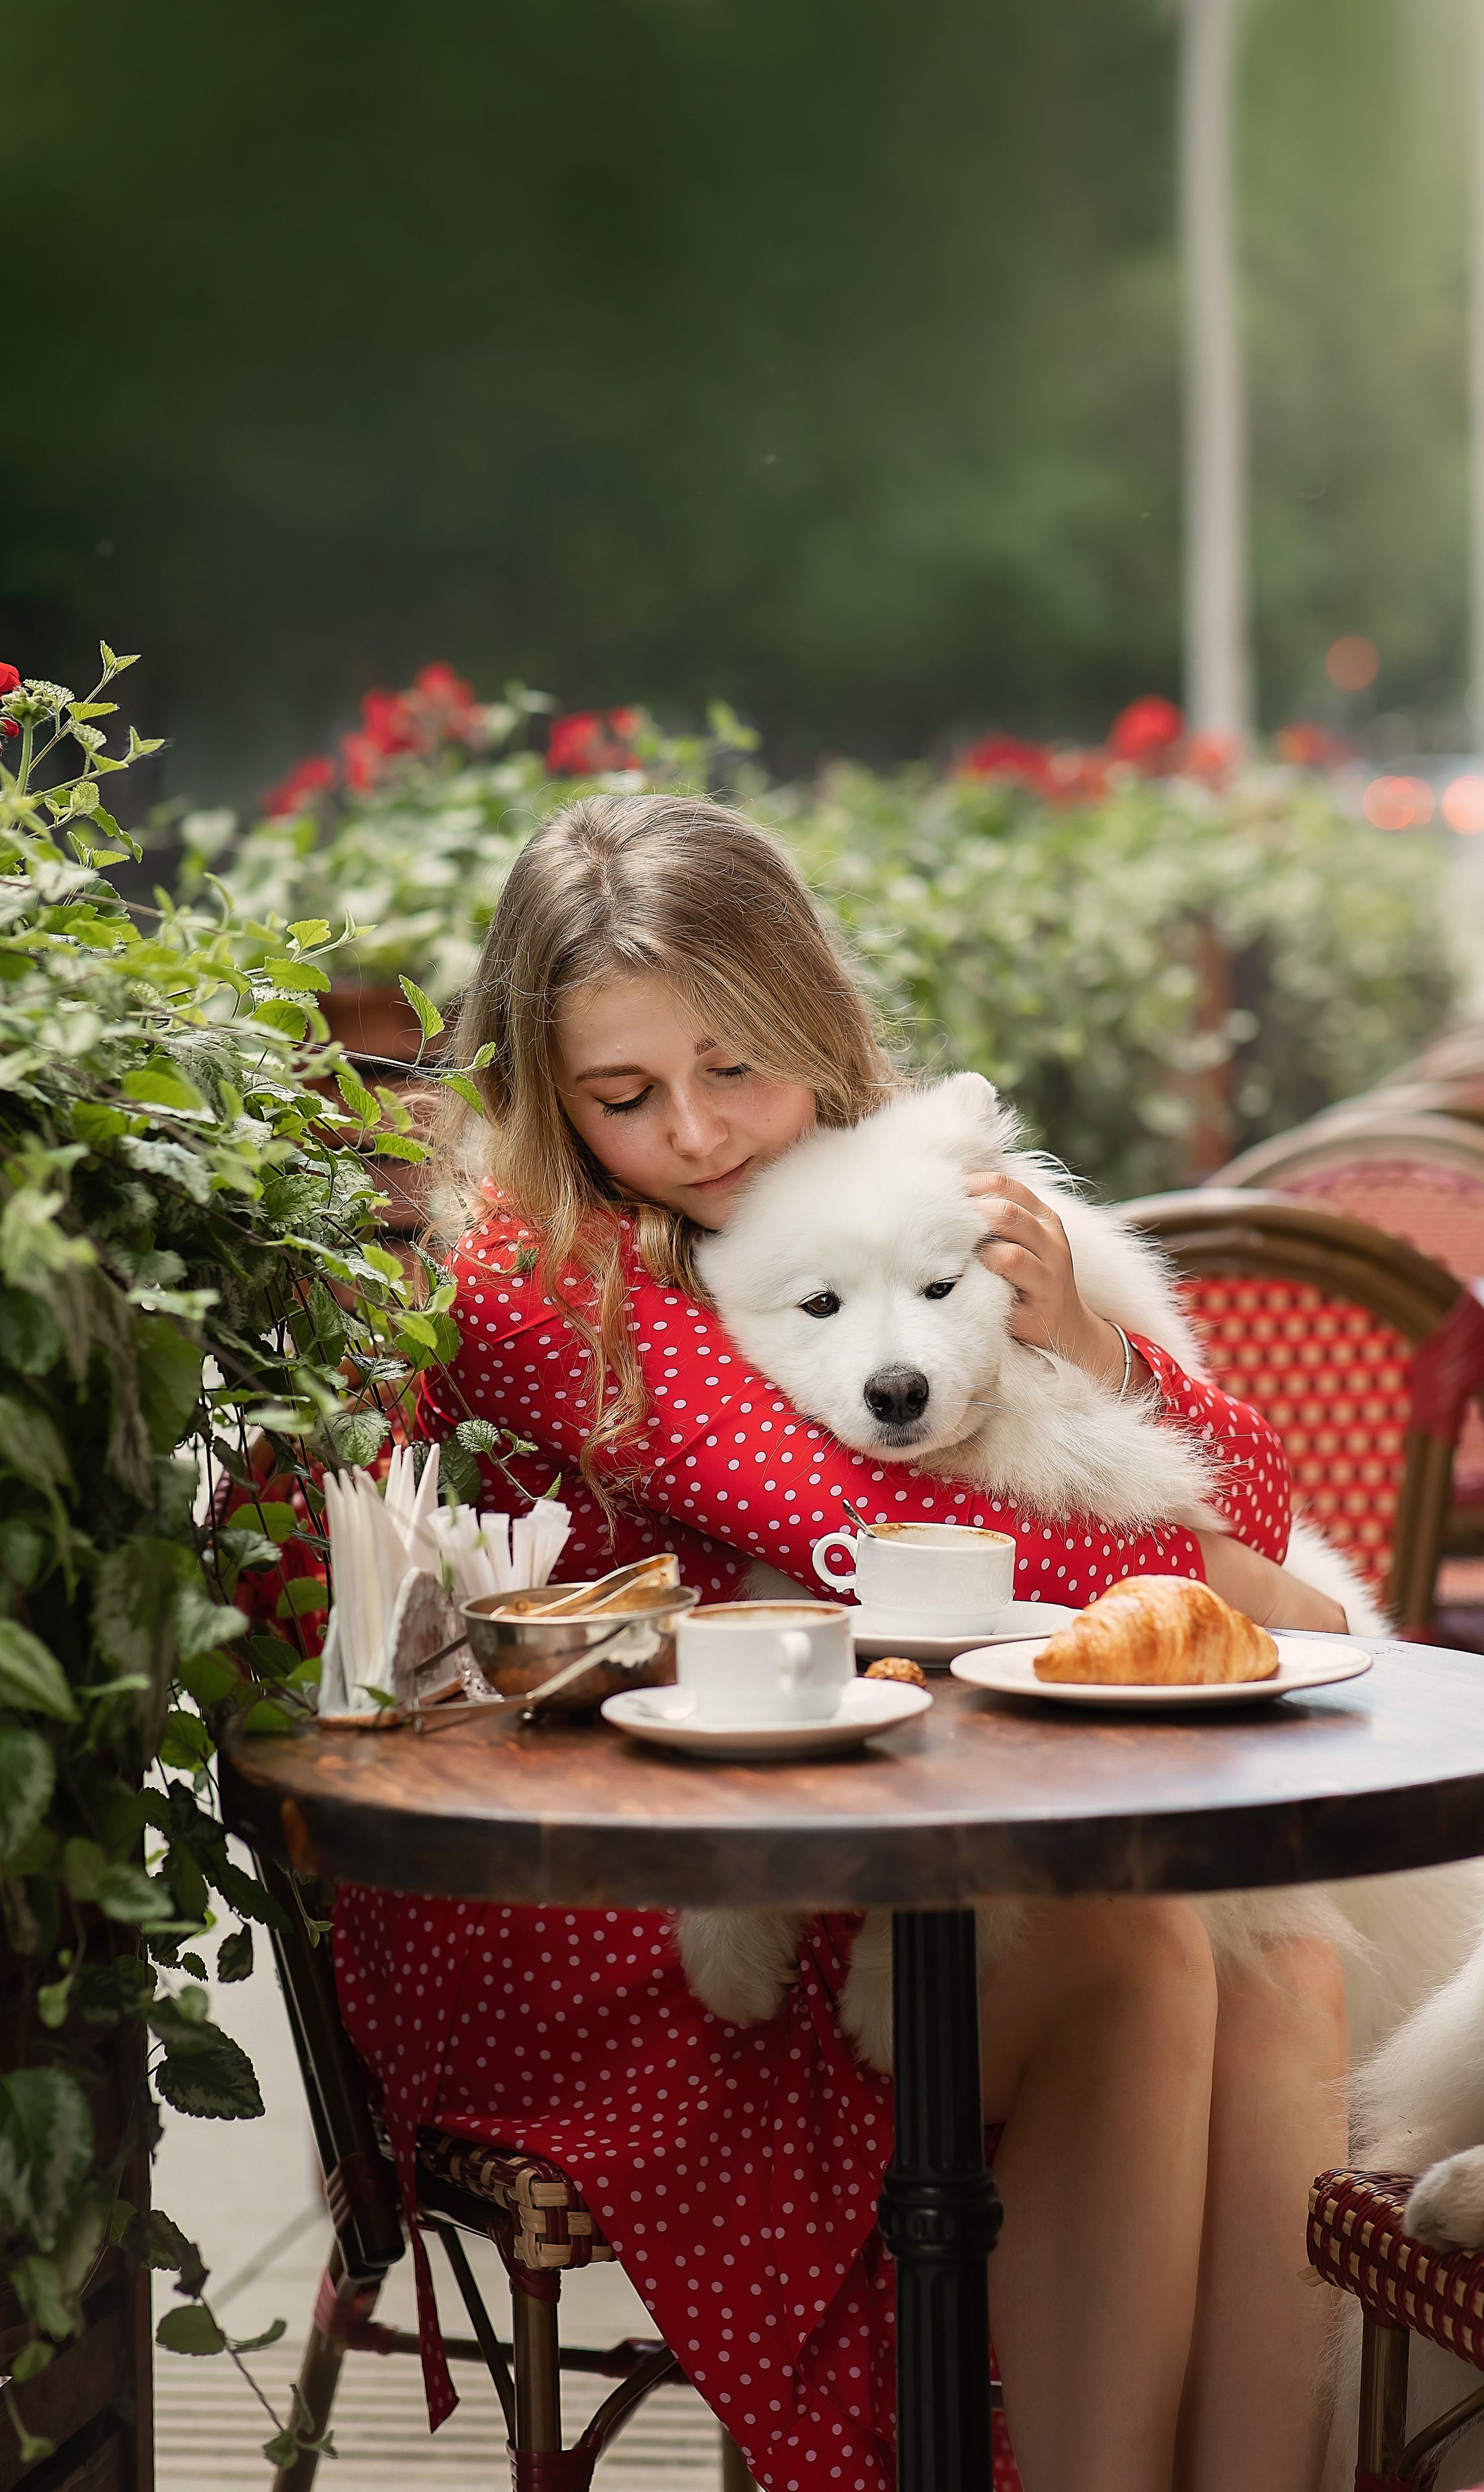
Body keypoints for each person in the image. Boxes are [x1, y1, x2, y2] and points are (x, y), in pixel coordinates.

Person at [332, 792, 1347, 2492]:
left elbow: (1260, 1481)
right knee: (1141, 1957)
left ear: (810, 1019)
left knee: (1281, 1959)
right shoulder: (536, 1259)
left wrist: (1090, 1346)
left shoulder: (874, 1187)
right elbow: (847, 1524)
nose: (694, 1131)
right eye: (622, 1095)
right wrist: (1234, 1584)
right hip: (593, 1886)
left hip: (841, 1817)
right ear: (546, 1093)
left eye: (734, 1065)